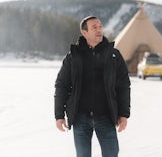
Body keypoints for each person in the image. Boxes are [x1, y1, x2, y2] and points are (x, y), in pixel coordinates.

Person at [54, 16, 131, 157]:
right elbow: (62, 85)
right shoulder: (73, 56)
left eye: (100, 26)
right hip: (80, 118)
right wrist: (59, 115)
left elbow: (123, 85)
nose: (99, 30)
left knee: (111, 154)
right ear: (85, 33)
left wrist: (123, 114)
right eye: (94, 27)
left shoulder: (113, 55)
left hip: (106, 116)